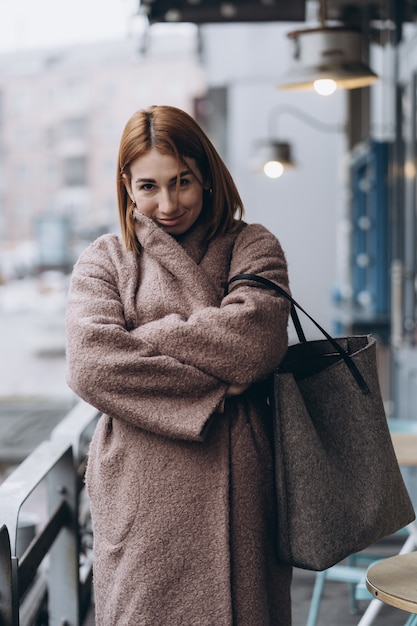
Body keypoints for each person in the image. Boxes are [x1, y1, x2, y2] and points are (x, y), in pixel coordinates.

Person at [65, 104, 292, 625]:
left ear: (206, 177)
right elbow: (91, 365)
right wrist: (219, 384)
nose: (168, 203)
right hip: (140, 490)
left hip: (241, 480)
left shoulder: (252, 244)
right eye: (149, 186)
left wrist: (145, 337)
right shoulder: (105, 259)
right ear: (126, 185)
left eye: (182, 181)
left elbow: (255, 343)